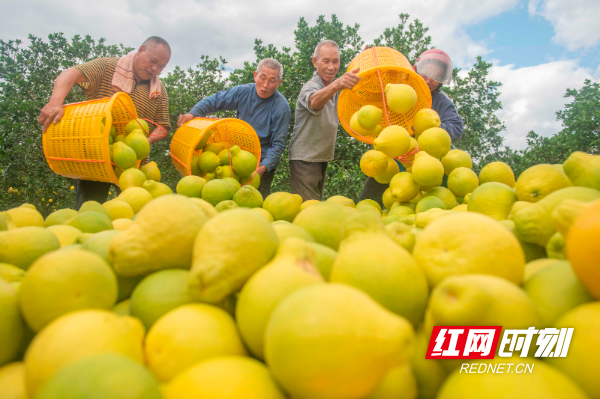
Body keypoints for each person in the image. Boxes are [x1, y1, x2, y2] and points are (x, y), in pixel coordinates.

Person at [38, 36, 172, 209]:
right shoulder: (109, 66)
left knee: (134, 212)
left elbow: (163, 126)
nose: (155, 69)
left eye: (161, 66)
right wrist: (55, 102)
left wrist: (145, 142)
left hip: (133, 163)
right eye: (153, 61)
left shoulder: (159, 91)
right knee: (89, 211)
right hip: (95, 157)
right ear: (140, 50)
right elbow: (69, 74)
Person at [359, 49, 464, 207]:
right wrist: (369, 69)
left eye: (436, 77)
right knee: (370, 204)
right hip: (389, 159)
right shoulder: (398, 88)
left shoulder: (441, 101)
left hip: (423, 166)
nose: (429, 80)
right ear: (416, 69)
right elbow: (371, 96)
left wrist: (426, 129)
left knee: (426, 207)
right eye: (426, 73)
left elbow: (456, 128)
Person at [178, 58, 291, 198]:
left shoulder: (281, 107)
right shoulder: (243, 92)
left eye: (272, 81)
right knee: (223, 197)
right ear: (255, 75)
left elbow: (278, 144)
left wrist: (263, 168)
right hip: (233, 158)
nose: (266, 85)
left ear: (279, 83)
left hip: (259, 165)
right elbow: (215, 100)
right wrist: (193, 113)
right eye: (262, 78)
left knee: (253, 204)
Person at [288, 40, 360, 201]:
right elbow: (314, 102)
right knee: (309, 210)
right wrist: (337, 84)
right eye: (325, 61)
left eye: (335, 61)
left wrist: (363, 61)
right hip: (304, 159)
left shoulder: (335, 87)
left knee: (314, 205)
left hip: (321, 156)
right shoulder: (311, 86)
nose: (331, 67)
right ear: (315, 62)